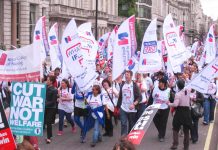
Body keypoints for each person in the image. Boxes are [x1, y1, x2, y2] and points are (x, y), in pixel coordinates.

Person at [167, 79, 192, 150]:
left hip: (179, 112)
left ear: (178, 86)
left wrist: (168, 103)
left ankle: (175, 144)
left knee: (175, 128)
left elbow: (175, 104)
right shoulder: (188, 91)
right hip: (187, 111)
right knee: (186, 130)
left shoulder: (178, 94)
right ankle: (186, 147)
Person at [117, 70, 142, 136]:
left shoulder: (134, 85)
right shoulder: (122, 84)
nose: (126, 76)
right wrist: (118, 107)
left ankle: (130, 137)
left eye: (127, 74)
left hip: (132, 109)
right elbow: (120, 96)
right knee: (123, 123)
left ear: (131, 76)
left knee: (131, 124)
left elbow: (140, 97)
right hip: (123, 108)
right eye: (125, 74)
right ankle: (123, 138)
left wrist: (134, 104)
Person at [148, 78, 172, 142]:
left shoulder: (169, 90)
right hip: (155, 107)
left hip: (165, 108)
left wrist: (170, 102)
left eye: (160, 82)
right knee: (155, 120)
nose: (159, 83)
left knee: (163, 122)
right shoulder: (155, 89)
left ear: (163, 83)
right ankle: (160, 131)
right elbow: (151, 98)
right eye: (159, 82)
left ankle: (162, 136)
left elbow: (171, 99)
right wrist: (148, 106)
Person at [44, 75, 58, 143]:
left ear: (51, 82)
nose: (47, 81)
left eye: (48, 80)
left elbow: (53, 102)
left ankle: (49, 137)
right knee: (46, 122)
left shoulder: (54, 90)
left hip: (51, 108)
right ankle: (50, 135)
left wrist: (44, 104)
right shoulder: (45, 87)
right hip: (45, 107)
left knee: (48, 122)